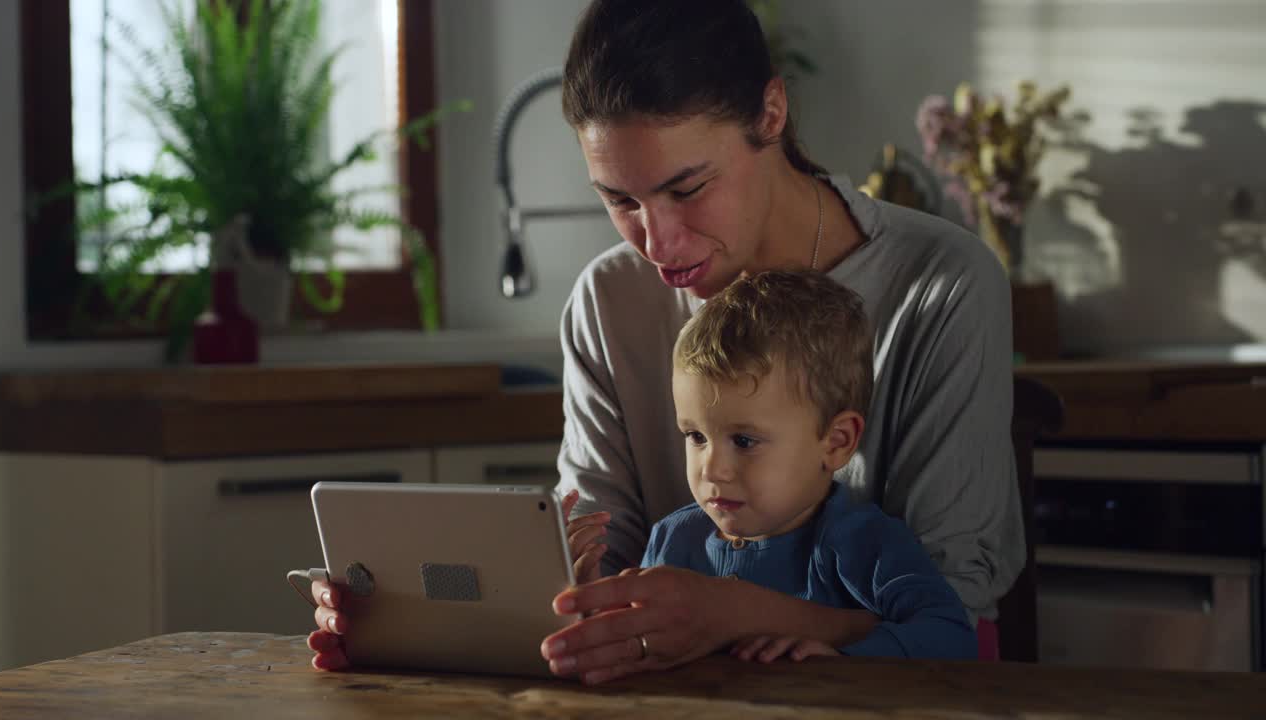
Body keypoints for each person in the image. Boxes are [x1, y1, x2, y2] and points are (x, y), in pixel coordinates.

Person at [310, 0, 1018, 681]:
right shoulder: (608, 299)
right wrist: (418, 621)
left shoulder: (943, 283)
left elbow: (953, 617)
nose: (658, 242)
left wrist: (730, 612)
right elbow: (591, 554)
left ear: (771, 113)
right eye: (620, 200)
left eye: (687, 188)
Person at [565, 270, 976, 667]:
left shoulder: (866, 543)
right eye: (695, 437)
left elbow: (952, 638)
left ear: (837, 442)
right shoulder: (673, 539)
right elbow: (645, 644)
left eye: (744, 441)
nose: (713, 469)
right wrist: (588, 604)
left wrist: (845, 659)